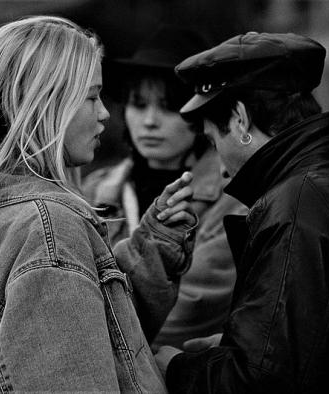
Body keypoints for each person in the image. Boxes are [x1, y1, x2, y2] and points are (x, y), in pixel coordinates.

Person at [0, 16, 198, 392]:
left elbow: (100, 341)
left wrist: (155, 247)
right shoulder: (48, 228)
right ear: (44, 103)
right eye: (91, 96)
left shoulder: (6, 212)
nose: (104, 113)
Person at [155, 32, 329, 393]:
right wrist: (232, 347)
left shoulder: (296, 208)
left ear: (239, 118)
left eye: (214, 142)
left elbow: (262, 381)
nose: (220, 169)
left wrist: (176, 367)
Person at [82, 25, 246, 350]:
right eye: (138, 104)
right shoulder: (94, 191)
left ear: (202, 113)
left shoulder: (235, 199)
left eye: (169, 106)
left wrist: (86, 335)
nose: (150, 121)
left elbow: (187, 313)